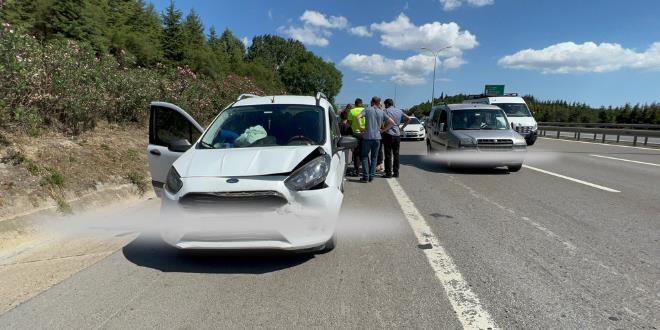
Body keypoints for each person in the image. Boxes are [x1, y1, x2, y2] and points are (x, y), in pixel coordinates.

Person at [356, 96, 395, 182]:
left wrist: (360, 128)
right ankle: (372, 176)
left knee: (365, 156)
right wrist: (383, 130)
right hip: (377, 137)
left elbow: (357, 117)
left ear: (372, 102)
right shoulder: (381, 112)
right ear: (379, 103)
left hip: (367, 137)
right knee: (374, 157)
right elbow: (392, 122)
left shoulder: (367, 109)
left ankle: (366, 176)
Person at [382, 98, 410, 178]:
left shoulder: (385, 111)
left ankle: (388, 173)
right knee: (396, 154)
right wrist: (402, 128)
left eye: (385, 105)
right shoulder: (399, 111)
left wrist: (383, 129)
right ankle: (396, 172)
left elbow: (382, 122)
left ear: (387, 104)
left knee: (388, 154)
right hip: (397, 134)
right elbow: (408, 118)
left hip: (388, 134)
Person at [347, 99, 365, 176]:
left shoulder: (352, 111)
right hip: (365, 133)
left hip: (355, 133)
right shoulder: (366, 110)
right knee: (365, 153)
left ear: (355, 104)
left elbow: (349, 123)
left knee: (356, 153)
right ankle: (365, 171)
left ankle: (356, 171)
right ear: (361, 103)